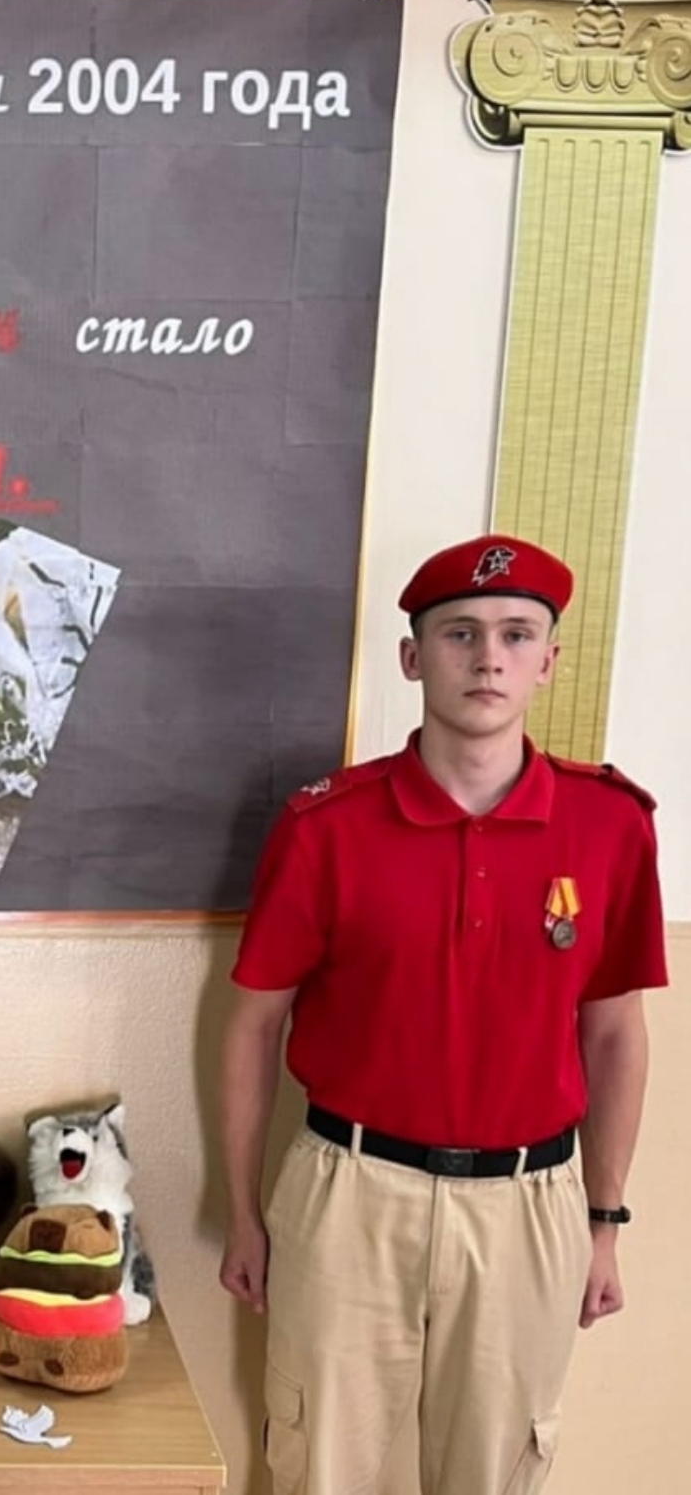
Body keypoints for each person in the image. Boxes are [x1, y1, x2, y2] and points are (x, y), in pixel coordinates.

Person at [218, 534, 666, 1495]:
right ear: (412, 658)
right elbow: (253, 1026)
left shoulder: (609, 825)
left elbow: (614, 1034)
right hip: (348, 1193)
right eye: (459, 633)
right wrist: (245, 1213)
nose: (488, 657)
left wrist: (604, 1220)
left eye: (515, 634)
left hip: (529, 1205)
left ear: (547, 661)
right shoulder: (324, 827)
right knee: (314, 1465)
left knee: (497, 1474)